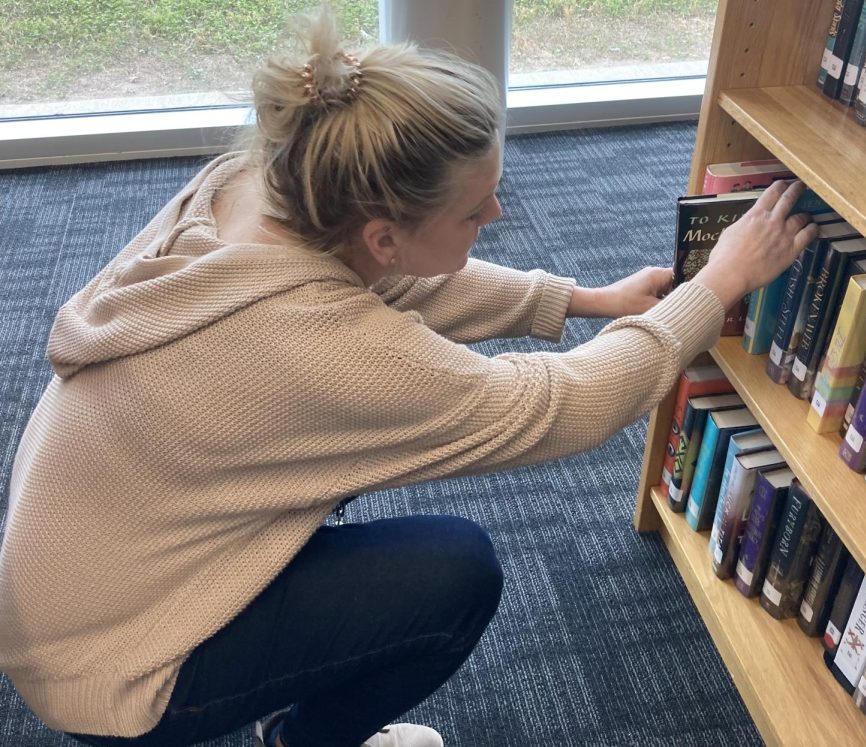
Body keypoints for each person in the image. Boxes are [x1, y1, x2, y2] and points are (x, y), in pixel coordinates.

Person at [0, 10, 818, 747]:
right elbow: (559, 406)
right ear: (385, 235)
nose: (495, 217)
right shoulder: (324, 347)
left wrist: (580, 300)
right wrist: (717, 288)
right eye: (475, 210)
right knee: (457, 574)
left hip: (77, 574)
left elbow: (390, 279)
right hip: (113, 674)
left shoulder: (255, 186)